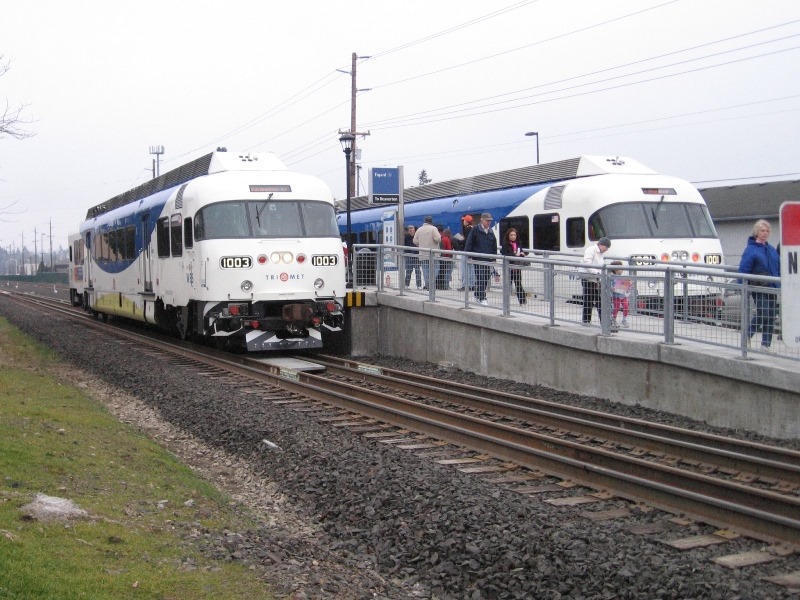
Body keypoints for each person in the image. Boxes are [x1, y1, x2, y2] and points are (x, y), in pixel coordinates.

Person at [738, 219, 780, 351]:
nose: (765, 233)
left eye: (767, 231)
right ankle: (747, 335)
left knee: (772, 315)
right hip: (758, 286)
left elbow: (778, 267)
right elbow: (744, 268)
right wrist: (742, 286)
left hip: (772, 286)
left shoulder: (771, 250)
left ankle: (765, 345)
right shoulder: (751, 250)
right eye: (762, 230)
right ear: (757, 232)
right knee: (764, 313)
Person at [464, 212, 497, 306]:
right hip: (478, 258)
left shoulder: (490, 231)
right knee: (481, 277)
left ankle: (477, 294)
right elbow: (469, 242)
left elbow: (494, 244)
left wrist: (494, 257)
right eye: (487, 221)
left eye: (490, 221)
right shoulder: (475, 229)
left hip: (488, 259)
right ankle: (482, 298)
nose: (489, 222)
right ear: (482, 220)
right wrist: (469, 255)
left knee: (486, 278)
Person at [580, 237, 611, 324]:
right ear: (601, 245)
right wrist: (597, 272)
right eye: (606, 247)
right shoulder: (591, 250)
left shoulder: (600, 253)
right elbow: (587, 263)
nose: (607, 250)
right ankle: (587, 320)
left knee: (598, 300)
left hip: (596, 279)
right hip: (588, 278)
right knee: (589, 300)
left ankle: (601, 321)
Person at [413, 215, 441, 290]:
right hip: (433, 253)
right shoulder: (433, 228)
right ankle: (432, 283)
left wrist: (421, 243)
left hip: (423, 253)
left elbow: (414, 241)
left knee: (425, 269)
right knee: (436, 268)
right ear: (431, 221)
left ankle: (427, 284)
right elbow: (438, 239)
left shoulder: (419, 229)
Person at [500, 228, 528, 304]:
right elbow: (504, 253)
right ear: (508, 236)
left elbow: (521, 251)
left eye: (514, 235)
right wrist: (514, 255)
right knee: (508, 284)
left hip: (516, 267)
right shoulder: (505, 244)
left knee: (518, 283)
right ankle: (506, 301)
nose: (513, 236)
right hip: (508, 267)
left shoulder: (518, 244)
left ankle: (522, 300)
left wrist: (522, 254)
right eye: (511, 235)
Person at [609, 260, 632, 329]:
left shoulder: (622, 277)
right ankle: (614, 319)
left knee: (626, 306)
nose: (622, 270)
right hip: (616, 295)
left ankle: (624, 319)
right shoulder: (612, 277)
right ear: (616, 269)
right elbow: (610, 285)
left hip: (623, 295)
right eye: (620, 269)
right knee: (616, 307)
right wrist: (612, 288)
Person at [458, 215, 476, 291]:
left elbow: (466, 241)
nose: (463, 222)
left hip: (466, 251)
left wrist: (460, 241)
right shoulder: (473, 228)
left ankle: (465, 285)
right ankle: (472, 285)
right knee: (471, 269)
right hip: (472, 252)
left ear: (467, 221)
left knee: (464, 269)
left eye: (464, 221)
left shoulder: (467, 229)